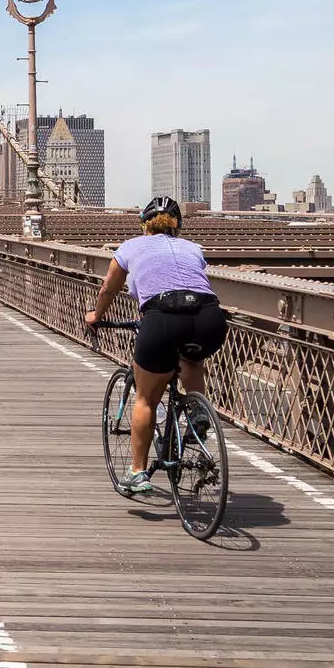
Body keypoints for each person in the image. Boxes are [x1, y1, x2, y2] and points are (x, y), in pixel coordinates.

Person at [84, 197, 228, 496]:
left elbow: (108, 288)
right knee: (192, 359)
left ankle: (137, 472)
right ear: (178, 226)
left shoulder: (130, 247)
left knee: (147, 399)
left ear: (143, 225)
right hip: (209, 318)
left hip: (162, 317)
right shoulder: (193, 248)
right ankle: (197, 411)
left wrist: (97, 316)